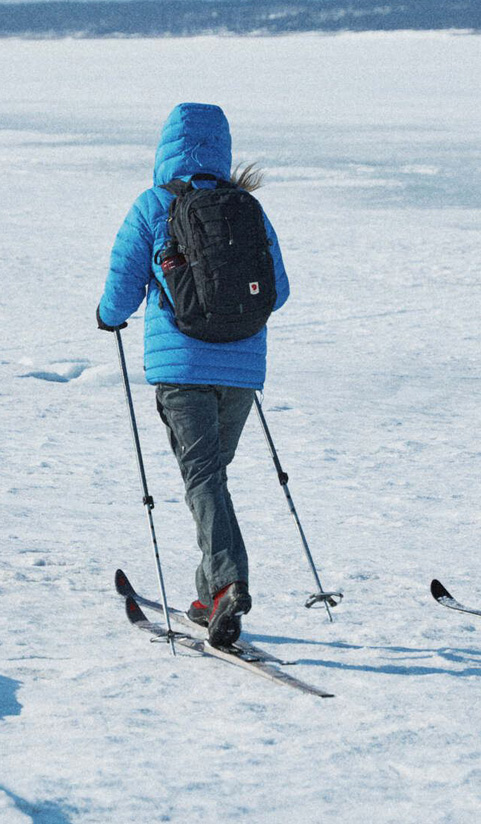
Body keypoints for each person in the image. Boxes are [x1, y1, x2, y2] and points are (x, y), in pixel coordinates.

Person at [97, 103, 290, 648]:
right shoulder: (247, 208)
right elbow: (282, 289)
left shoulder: (154, 205)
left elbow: (123, 284)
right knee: (212, 478)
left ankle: (229, 583)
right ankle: (209, 597)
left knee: (203, 478)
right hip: (242, 369)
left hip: (181, 367)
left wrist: (108, 318)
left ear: (165, 148)